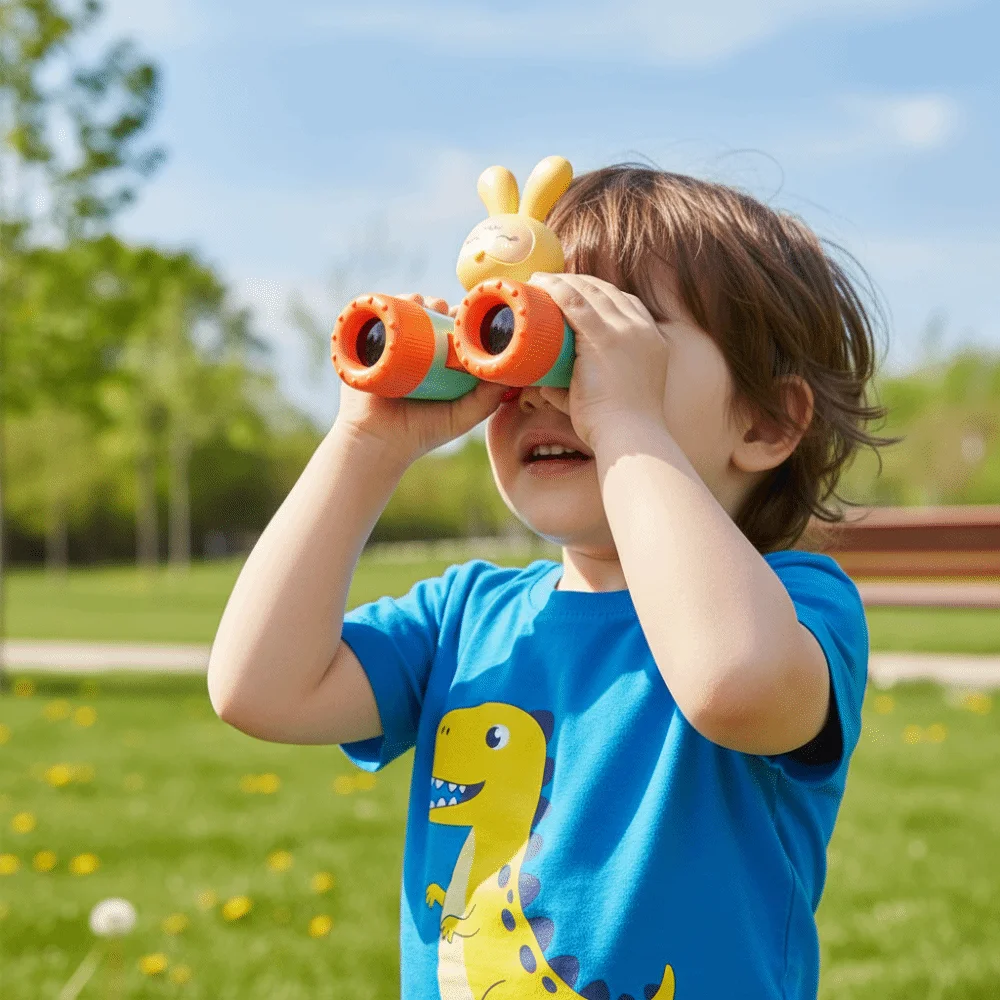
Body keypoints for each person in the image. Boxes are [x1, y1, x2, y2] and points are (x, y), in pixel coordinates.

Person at [207, 164, 898, 999]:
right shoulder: (463, 618)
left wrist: (625, 419)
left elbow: (730, 682)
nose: (545, 387)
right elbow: (258, 688)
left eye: (606, 341)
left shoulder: (795, 608)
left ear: (765, 421)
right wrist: (368, 443)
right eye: (521, 337)